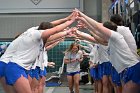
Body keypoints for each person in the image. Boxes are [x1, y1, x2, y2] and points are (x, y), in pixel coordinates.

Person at [3, 12, 76, 93]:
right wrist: (70, 22)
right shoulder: (35, 34)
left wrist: (66, 26)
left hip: (20, 68)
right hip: (15, 67)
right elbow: (55, 30)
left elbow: (52, 28)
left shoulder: (34, 32)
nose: (50, 36)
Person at [74, 9, 140, 93]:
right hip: (124, 70)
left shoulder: (119, 33)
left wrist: (83, 17)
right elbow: (96, 39)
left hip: (132, 68)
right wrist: (81, 32)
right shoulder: (110, 40)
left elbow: (98, 27)